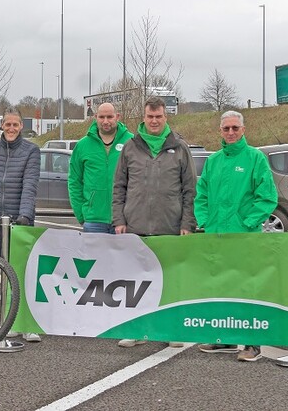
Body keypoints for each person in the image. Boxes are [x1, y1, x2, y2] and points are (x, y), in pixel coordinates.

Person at [112, 96, 196, 348]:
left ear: (165, 117)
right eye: (150, 116)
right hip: (136, 226)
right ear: (144, 117)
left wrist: (187, 223)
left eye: (159, 116)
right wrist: (119, 219)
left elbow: (190, 190)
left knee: (169, 281)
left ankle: (171, 330)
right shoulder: (130, 147)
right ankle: (138, 330)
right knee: (136, 282)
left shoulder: (180, 148)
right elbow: (119, 187)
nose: (154, 121)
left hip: (169, 227)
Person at [194, 111, 278, 362]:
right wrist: (205, 221)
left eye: (235, 128)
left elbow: (267, 197)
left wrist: (248, 222)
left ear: (243, 129)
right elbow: (202, 195)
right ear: (220, 131)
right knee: (221, 286)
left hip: (244, 237)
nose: (230, 132)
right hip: (216, 236)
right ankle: (226, 338)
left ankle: (252, 343)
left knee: (247, 287)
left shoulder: (255, 158)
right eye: (226, 128)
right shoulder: (213, 161)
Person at [0, 108, 41, 342]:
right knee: (6, 271)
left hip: (20, 220)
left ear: (21, 126)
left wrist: (24, 215)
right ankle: (10, 321)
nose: (11, 128)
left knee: (23, 270)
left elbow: (30, 185)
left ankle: (29, 324)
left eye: (15, 125)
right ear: (1, 126)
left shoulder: (31, 151)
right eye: (7, 124)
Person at [68, 103, 133, 233]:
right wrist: (82, 215)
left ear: (117, 117)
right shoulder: (82, 146)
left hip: (124, 221)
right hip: (93, 221)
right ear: (96, 117)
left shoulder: (132, 142)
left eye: (110, 117)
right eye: (101, 117)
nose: (105, 121)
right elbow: (74, 182)